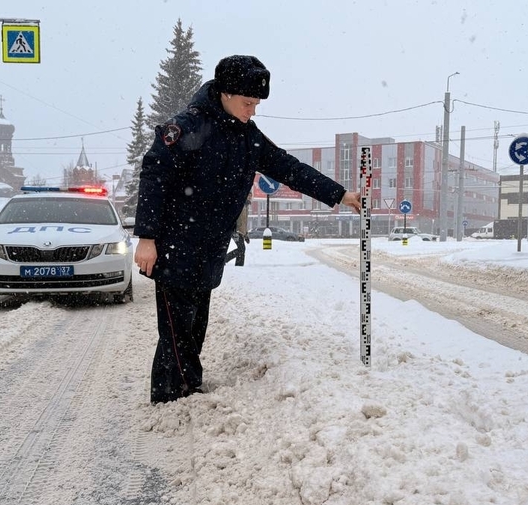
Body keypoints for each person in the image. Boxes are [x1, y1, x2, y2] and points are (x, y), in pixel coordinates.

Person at [134, 55, 362, 404]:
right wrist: (147, 238)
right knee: (176, 330)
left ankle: (186, 388)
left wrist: (340, 194)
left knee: (194, 326)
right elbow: (154, 177)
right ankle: (171, 396)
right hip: (175, 245)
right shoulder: (186, 127)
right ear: (225, 93)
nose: (252, 111)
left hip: (210, 247)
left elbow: (289, 168)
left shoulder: (247, 137)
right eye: (247, 103)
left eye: (256, 104)